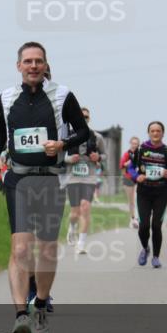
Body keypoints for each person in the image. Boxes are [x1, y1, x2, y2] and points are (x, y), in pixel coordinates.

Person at [0, 42, 89, 333]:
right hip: (18, 180)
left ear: (46, 66)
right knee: (20, 248)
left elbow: (81, 131)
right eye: (28, 61)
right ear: (18, 65)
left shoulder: (62, 95)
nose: (33, 66)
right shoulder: (6, 98)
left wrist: (62, 145)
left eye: (39, 61)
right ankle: (21, 315)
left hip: (50, 180)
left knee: (46, 248)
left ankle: (41, 305)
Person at [126, 122, 167, 269]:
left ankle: (156, 257)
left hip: (161, 193)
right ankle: (145, 248)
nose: (155, 133)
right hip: (143, 192)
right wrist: (137, 177)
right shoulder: (142, 149)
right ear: (148, 133)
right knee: (143, 226)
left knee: (156, 225)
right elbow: (130, 168)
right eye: (152, 131)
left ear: (163, 133)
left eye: (158, 131)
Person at [64, 107, 106, 254]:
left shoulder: (96, 137)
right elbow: (58, 157)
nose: (84, 119)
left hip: (90, 177)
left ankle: (81, 244)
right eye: (81, 116)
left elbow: (104, 155)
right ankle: (72, 228)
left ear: (89, 119)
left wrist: (98, 157)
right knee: (75, 212)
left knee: (85, 207)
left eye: (86, 117)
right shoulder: (67, 136)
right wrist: (69, 159)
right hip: (73, 178)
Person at [120, 136, 141, 229]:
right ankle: (132, 219)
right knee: (131, 201)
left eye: (136, 144)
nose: (134, 145)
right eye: (133, 143)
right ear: (130, 144)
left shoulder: (141, 154)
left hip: (138, 179)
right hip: (128, 179)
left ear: (138, 145)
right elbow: (121, 166)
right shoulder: (126, 154)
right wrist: (126, 164)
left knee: (138, 199)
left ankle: (137, 219)